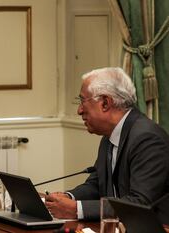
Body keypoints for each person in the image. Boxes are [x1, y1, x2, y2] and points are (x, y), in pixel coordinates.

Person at [45, 67, 169, 220]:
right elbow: (97, 185)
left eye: (83, 101)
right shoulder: (110, 134)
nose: (79, 110)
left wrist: (77, 209)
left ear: (105, 103)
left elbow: (139, 204)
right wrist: (69, 196)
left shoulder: (148, 139)